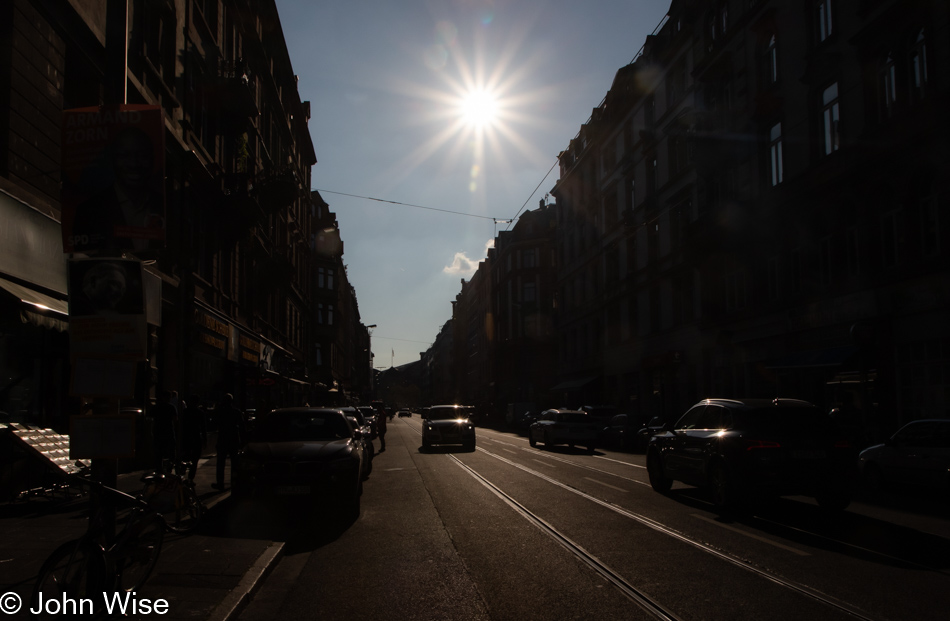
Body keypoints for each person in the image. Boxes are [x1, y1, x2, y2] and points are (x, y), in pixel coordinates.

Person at [71, 126, 165, 253]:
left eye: (142, 156)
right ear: (113, 159)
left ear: (152, 160)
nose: (134, 164)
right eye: (125, 156)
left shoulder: (164, 208)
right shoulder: (89, 211)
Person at [212, 393, 245, 491]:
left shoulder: (220, 412)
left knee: (221, 463)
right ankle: (234, 482)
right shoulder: (236, 412)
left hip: (223, 438)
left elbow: (214, 423)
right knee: (234, 463)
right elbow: (242, 427)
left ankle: (220, 483)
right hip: (233, 439)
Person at [181, 395, 208, 481]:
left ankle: (182, 473)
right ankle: (191, 477)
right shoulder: (200, 413)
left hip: (186, 436)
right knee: (195, 459)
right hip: (196, 436)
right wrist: (205, 440)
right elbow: (203, 428)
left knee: (185, 456)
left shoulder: (185, 412)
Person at [151, 389, 178, 472]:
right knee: (171, 452)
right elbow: (175, 420)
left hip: (158, 432)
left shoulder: (156, 407)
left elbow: (151, 419)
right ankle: (169, 467)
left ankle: (159, 469)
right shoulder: (171, 407)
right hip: (168, 431)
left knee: (159, 453)